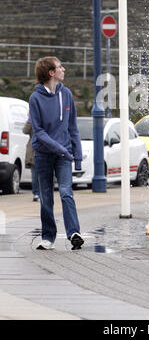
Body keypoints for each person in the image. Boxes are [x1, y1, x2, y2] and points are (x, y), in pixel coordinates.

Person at [29, 56, 84, 251]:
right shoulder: (35, 98)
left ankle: (74, 233)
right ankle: (48, 237)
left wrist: (77, 157)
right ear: (51, 73)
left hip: (64, 156)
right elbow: (39, 132)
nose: (64, 69)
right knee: (46, 197)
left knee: (66, 193)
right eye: (60, 67)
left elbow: (73, 128)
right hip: (43, 154)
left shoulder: (66, 94)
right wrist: (60, 149)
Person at [22, 117, 40, 202]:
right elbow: (25, 131)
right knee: (35, 173)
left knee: (45, 173)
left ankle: (43, 192)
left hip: (45, 146)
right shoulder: (32, 119)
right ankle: (36, 193)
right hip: (33, 149)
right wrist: (30, 120)